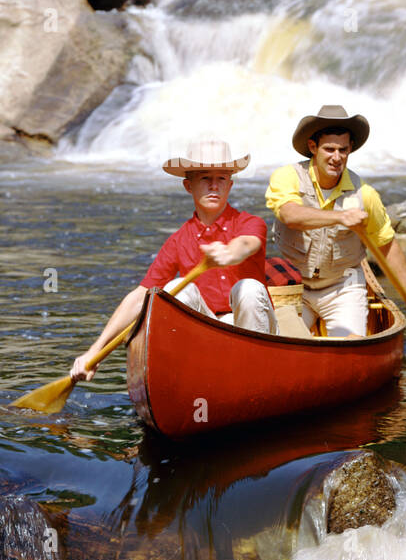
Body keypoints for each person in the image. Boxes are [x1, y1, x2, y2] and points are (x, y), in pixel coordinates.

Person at [71, 138, 277, 382]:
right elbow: (140, 296)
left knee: (249, 288)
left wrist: (230, 252)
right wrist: (94, 352)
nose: (214, 186)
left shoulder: (250, 223)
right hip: (209, 333)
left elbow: (247, 244)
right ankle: (192, 372)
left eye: (221, 179)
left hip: (254, 333)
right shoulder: (178, 240)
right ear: (188, 186)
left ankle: (255, 374)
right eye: (205, 178)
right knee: (169, 291)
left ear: (230, 185)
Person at [265, 104, 406, 338]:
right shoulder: (287, 176)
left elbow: (387, 246)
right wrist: (340, 217)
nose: (337, 157)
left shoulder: (365, 194)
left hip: (343, 287)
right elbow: (290, 215)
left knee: (352, 344)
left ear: (350, 148)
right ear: (313, 147)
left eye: (343, 150)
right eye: (329, 149)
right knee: (282, 342)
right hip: (294, 287)